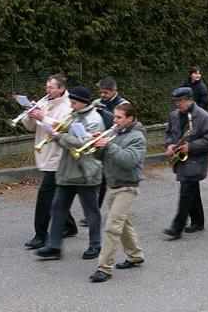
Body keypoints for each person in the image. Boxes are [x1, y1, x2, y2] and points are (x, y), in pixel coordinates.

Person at [35, 86, 105, 260]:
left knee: (91, 212)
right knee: (58, 208)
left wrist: (58, 136)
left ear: (83, 102)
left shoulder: (94, 119)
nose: (71, 105)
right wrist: (57, 134)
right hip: (67, 171)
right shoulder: (74, 115)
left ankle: (95, 245)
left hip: (86, 173)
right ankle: (54, 246)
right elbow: (68, 137)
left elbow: (81, 144)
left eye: (74, 102)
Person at [89, 103, 146, 283]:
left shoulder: (138, 137)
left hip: (128, 186)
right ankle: (135, 255)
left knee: (112, 226)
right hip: (112, 185)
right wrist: (97, 145)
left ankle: (104, 268)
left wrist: (109, 145)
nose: (114, 120)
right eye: (114, 117)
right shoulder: (115, 132)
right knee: (123, 223)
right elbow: (100, 157)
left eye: (119, 117)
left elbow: (129, 160)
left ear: (130, 118)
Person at [23, 74, 77, 250]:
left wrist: (42, 116)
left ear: (61, 88)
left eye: (51, 88)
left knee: (44, 197)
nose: (47, 91)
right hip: (46, 153)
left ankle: (40, 235)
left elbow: (64, 126)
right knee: (57, 195)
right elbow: (30, 127)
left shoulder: (69, 105)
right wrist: (30, 114)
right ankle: (69, 226)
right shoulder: (45, 101)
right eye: (47, 88)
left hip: (59, 156)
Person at [163, 87, 208, 239]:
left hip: (195, 160)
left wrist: (190, 146)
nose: (177, 104)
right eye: (176, 101)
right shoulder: (174, 115)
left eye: (180, 101)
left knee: (186, 191)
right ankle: (198, 221)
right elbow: (168, 133)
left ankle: (177, 227)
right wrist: (169, 145)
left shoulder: (203, 116)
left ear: (189, 99)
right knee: (192, 189)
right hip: (181, 160)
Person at [92, 77, 130, 219]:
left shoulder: (124, 104)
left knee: (119, 179)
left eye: (106, 92)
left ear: (114, 91)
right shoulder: (97, 103)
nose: (102, 95)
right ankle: (95, 211)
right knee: (100, 179)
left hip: (117, 144)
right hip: (102, 144)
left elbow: (127, 125)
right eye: (101, 92)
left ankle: (120, 208)